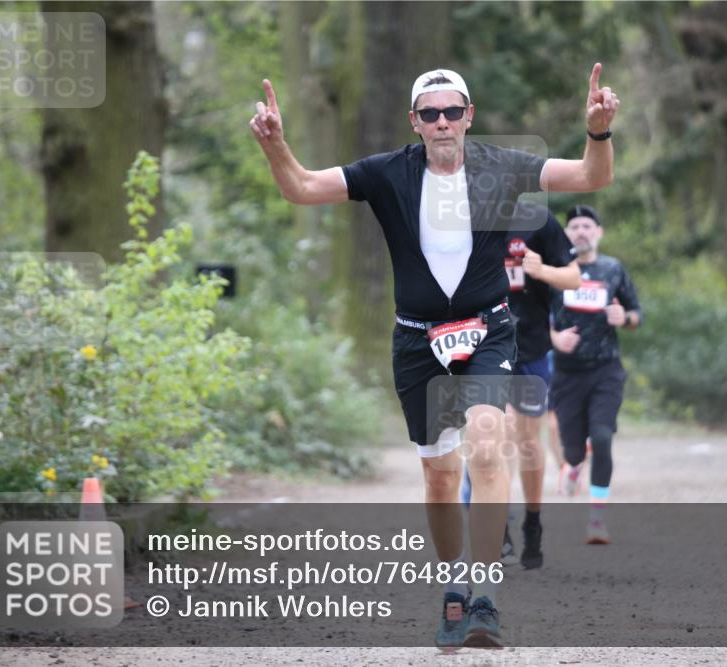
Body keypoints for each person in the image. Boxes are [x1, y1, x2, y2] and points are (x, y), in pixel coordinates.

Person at [250, 66, 618, 648]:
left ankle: (487, 600)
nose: (442, 123)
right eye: (430, 113)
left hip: (489, 330)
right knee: (441, 476)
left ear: (469, 116)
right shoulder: (387, 173)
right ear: (414, 122)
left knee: (488, 440)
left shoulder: (504, 166)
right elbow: (300, 187)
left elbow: (591, 177)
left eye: (452, 111)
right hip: (417, 339)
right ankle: (453, 587)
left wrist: (598, 132)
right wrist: (276, 145)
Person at [461, 202, 579, 570]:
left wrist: (540, 268)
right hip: (481, 346)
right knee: (497, 433)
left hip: (529, 346)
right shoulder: (464, 221)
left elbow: (573, 277)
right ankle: (500, 530)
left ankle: (532, 520)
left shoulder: (539, 221)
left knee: (528, 441)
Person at [549, 205, 641, 545]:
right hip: (566, 375)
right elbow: (532, 318)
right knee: (573, 450)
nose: (581, 231)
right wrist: (555, 338)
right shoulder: (556, 271)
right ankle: (572, 465)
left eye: (587, 226)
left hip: (606, 371)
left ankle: (597, 519)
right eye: (573, 227)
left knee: (602, 438)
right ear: (566, 234)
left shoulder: (612, 269)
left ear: (598, 233)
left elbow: (636, 313)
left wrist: (625, 318)